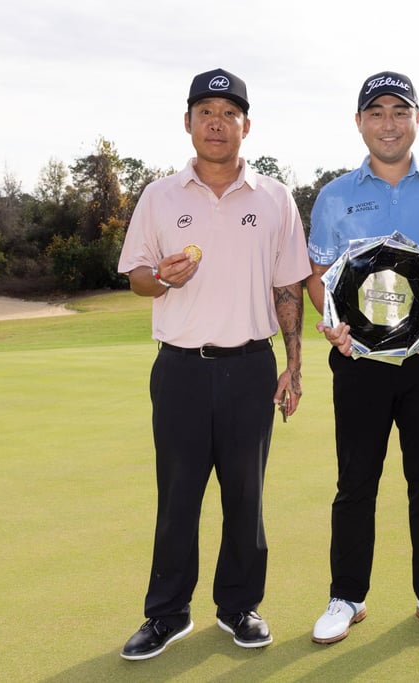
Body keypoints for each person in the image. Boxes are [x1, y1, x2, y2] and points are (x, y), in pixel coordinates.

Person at [116, 67, 311, 660]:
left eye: (229, 113)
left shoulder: (276, 197)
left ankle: (239, 607)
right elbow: (136, 277)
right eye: (206, 112)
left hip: (252, 366)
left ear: (246, 125)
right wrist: (161, 279)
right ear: (188, 123)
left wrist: (293, 364)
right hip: (180, 368)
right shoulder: (159, 195)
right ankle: (167, 614)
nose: (217, 124)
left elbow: (289, 287)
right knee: (177, 496)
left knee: (245, 497)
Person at [305, 71, 419, 644]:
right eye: (376, 112)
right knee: (356, 482)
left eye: (399, 111)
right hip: (358, 361)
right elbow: (317, 274)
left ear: (416, 120)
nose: (388, 123)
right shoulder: (334, 196)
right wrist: (331, 324)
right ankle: (346, 597)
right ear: (359, 122)